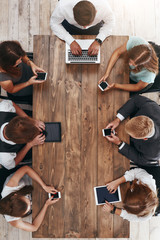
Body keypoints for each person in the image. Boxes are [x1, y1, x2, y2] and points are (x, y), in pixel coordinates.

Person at [104, 95, 160, 166]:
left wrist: (119, 143)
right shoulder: (151, 108)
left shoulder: (154, 153)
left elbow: (140, 159)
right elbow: (136, 100)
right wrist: (118, 119)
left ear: (144, 138)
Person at [0, 165, 59, 231]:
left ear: (15, 195)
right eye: (29, 208)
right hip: (34, 191)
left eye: (27, 199)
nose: (31, 203)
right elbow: (34, 227)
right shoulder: (13, 221)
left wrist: (44, 186)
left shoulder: (10, 187)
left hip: (33, 176)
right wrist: (46, 205)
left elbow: (26, 169)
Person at [50, 0, 115, 56]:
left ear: (96, 11)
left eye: (87, 24)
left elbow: (110, 22)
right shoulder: (63, 5)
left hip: (95, 27)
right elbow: (54, 23)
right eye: (81, 24)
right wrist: (70, 41)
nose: (85, 27)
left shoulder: (103, 5)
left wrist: (99, 40)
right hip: (70, 26)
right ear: (72, 12)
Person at [0, 99, 45, 169]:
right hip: (24, 149)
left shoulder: (3, 108)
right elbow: (14, 163)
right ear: (19, 142)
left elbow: (11, 103)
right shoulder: (4, 157)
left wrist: (32, 121)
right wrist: (30, 145)